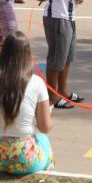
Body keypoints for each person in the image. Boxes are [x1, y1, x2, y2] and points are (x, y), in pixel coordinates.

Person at [0, 32, 53, 174]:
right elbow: (45, 127)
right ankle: (48, 171)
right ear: (27, 55)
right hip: (24, 158)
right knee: (44, 140)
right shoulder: (36, 82)